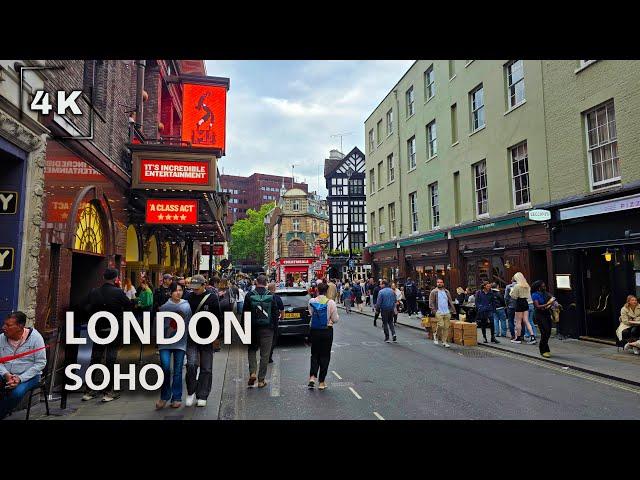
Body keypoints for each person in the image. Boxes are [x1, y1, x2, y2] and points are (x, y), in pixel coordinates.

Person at [82, 268, 136, 403]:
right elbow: (129, 306)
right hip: (113, 329)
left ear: (104, 277)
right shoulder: (118, 292)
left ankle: (88, 390)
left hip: (98, 329)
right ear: (116, 278)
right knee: (111, 359)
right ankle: (108, 392)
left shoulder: (94, 292)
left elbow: (85, 306)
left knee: (95, 358)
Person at [0, 311, 47, 420]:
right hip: (6, 373)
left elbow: (41, 363)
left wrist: (20, 378)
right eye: (4, 324)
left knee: (16, 393)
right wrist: (6, 374)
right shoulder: (1, 338)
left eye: (8, 325)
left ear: (20, 326)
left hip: (28, 376)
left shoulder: (36, 338)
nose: (4, 327)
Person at [184, 275, 221, 407]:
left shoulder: (212, 298)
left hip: (207, 337)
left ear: (204, 285)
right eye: (192, 288)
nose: (194, 290)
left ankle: (202, 395)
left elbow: (217, 318)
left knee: (206, 367)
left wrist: (216, 336)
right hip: (191, 337)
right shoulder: (187, 297)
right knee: (191, 365)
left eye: (197, 288)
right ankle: (191, 391)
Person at [156, 282, 191, 409]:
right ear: (170, 292)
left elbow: (189, 323)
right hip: (165, 342)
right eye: (175, 290)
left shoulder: (186, 306)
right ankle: (164, 397)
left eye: (180, 290)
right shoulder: (164, 307)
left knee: (178, 370)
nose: (178, 292)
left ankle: (176, 397)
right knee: (165, 369)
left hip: (180, 342)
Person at [244, 274, 280, 388]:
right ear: (266, 283)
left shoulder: (249, 295)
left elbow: (245, 313)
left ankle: (253, 372)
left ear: (256, 282)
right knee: (265, 354)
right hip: (267, 329)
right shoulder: (271, 296)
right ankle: (261, 380)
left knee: (252, 350)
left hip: (252, 328)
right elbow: (275, 314)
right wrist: (275, 329)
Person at [308, 281, 339, 390]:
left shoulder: (312, 301)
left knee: (315, 354)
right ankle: (321, 382)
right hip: (327, 331)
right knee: (325, 356)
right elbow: (335, 319)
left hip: (315, 330)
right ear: (327, 291)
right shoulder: (331, 303)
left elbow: (311, 314)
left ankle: (312, 377)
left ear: (317, 290)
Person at [509, 272, 536, 344]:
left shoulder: (517, 286)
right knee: (526, 320)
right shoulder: (527, 285)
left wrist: (511, 291)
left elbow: (513, 296)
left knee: (518, 321)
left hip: (519, 302)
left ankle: (518, 338)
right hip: (525, 302)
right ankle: (532, 336)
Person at [428, 278, 456, 347]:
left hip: (447, 311)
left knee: (446, 327)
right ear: (436, 283)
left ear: (443, 283)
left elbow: (450, 301)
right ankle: (436, 335)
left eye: (441, 282)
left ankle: (444, 341)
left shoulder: (446, 291)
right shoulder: (434, 292)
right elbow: (431, 303)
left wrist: (451, 310)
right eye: (438, 282)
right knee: (441, 325)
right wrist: (434, 311)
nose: (439, 283)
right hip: (439, 311)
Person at [531, 280, 555, 358]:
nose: (544, 287)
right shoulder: (535, 295)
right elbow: (537, 306)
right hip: (539, 315)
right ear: (539, 287)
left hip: (547, 313)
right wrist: (548, 303)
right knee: (544, 331)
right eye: (543, 286)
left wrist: (555, 303)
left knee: (548, 331)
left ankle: (545, 347)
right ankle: (543, 350)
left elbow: (552, 298)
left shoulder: (545, 293)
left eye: (544, 286)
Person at [267, 282, 284, 364]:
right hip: (274, 322)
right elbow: (282, 310)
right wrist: (282, 317)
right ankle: (269, 356)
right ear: (274, 289)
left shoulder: (264, 297)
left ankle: (265, 355)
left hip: (265, 321)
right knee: (273, 339)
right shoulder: (277, 298)